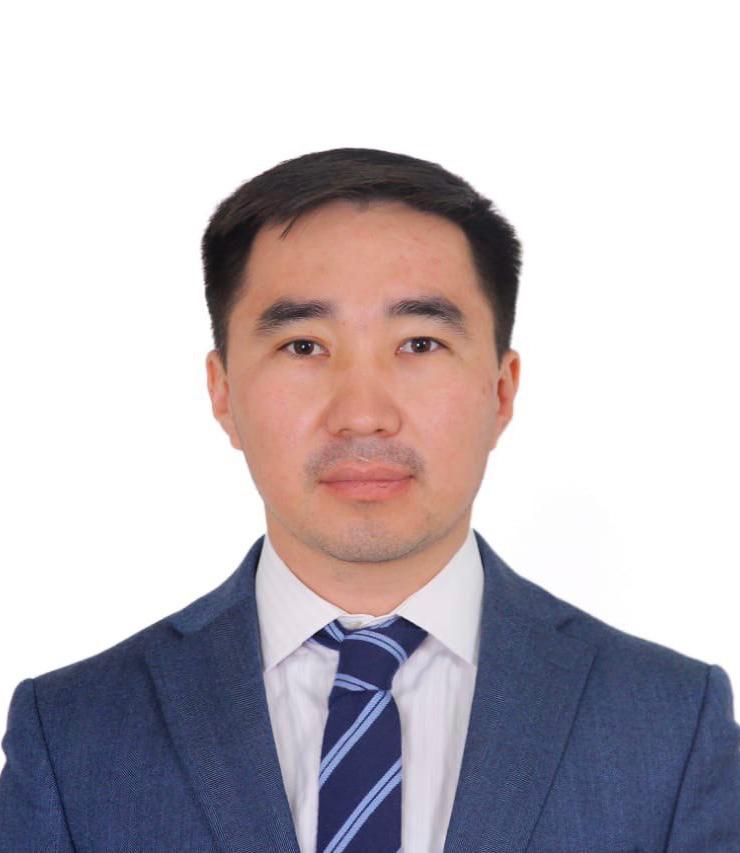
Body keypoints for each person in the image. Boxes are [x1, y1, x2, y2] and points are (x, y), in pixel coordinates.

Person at [0, 148, 738, 852]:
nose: (362, 415)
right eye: (303, 346)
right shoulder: (70, 737)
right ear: (223, 392)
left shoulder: (671, 727)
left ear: (502, 390)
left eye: (419, 344)